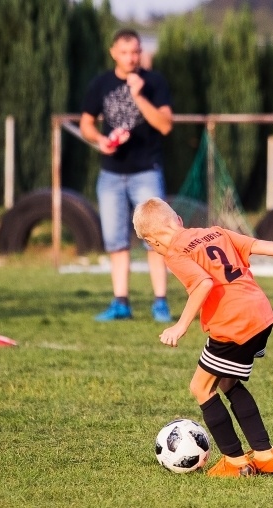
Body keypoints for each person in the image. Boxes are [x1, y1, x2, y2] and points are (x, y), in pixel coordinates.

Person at [132, 197, 273, 477]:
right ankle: (265, 455)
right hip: (260, 313)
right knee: (227, 380)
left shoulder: (174, 253)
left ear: (152, 241)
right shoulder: (215, 232)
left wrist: (180, 326)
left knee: (201, 388)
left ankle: (235, 461)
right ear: (177, 220)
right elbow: (257, 245)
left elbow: (203, 283)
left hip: (233, 320)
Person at [80, 28, 173, 323]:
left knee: (156, 239)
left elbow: (165, 125)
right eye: (125, 52)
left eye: (136, 52)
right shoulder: (101, 84)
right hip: (111, 175)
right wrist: (99, 140)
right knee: (116, 240)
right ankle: (121, 302)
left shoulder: (154, 82)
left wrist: (138, 95)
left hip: (146, 171)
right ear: (113, 53)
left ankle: (160, 302)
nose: (131, 58)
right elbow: (86, 124)